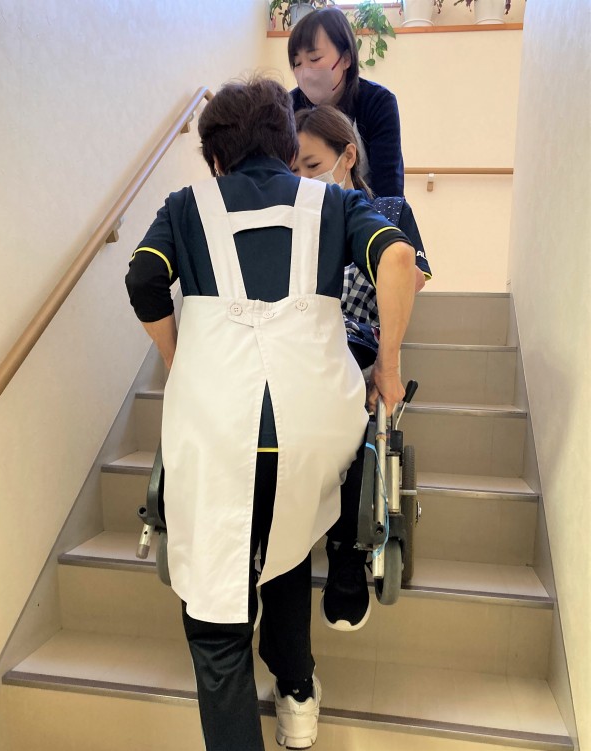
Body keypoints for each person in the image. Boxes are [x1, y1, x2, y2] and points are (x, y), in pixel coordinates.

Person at [125, 76, 416, 751]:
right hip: (315, 425)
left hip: (218, 425)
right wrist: (388, 368)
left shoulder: (186, 206)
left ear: (215, 158)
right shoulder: (334, 201)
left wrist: (178, 357)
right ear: (289, 148)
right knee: (286, 547)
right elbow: (399, 257)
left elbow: (142, 277)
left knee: (216, 616)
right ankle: (298, 698)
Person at [293, 104, 432, 632]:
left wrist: (384, 363)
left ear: (347, 157)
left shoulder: (390, 210)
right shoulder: (293, 218)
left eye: (312, 166)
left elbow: (411, 275)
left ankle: (346, 553)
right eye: (293, 170)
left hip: (359, 342)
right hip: (300, 340)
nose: (303, 179)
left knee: (352, 409)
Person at [288, 7, 404, 198]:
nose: (305, 72)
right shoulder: (288, 108)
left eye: (314, 58)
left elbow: (389, 190)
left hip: (367, 210)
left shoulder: (377, 102)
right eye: (297, 63)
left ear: (346, 59)